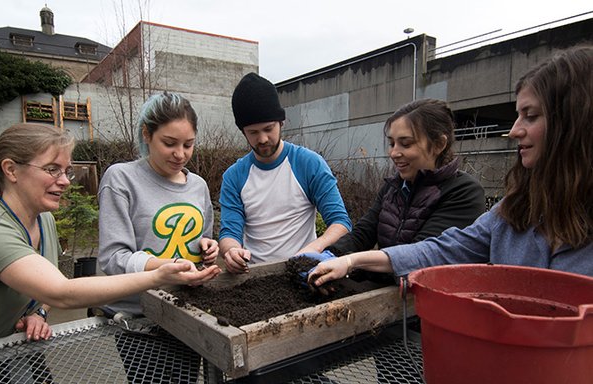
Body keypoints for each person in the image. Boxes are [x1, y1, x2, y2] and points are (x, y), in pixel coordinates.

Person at [308, 45, 593, 288]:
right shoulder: (514, 209)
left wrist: (352, 268)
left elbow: (430, 259)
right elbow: (436, 249)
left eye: (530, 116)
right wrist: (337, 256)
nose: (515, 130)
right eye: (391, 143)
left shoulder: (463, 192)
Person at [0, 123, 221, 344]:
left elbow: (43, 292)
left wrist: (37, 312)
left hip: (7, 355)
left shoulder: (44, 221)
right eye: (52, 169)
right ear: (10, 170)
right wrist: (158, 276)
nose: (65, 181)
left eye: (66, 171)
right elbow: (60, 292)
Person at [96, 91, 219, 382]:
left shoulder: (198, 185)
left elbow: (201, 239)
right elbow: (114, 259)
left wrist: (207, 247)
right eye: (169, 143)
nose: (180, 154)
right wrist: (165, 267)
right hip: (139, 320)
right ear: (146, 134)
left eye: (188, 144)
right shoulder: (121, 179)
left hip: (188, 311)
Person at [324, 98, 485, 267]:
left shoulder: (464, 192)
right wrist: (328, 255)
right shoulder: (393, 187)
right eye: (392, 143)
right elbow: (363, 233)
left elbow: (418, 256)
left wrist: (350, 264)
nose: (394, 153)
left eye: (405, 144)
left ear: (439, 144)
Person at [219, 72, 353, 273]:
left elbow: (341, 223)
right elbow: (230, 232)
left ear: (282, 122)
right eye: (253, 133)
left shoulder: (308, 163)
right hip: (254, 276)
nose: (263, 138)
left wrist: (312, 251)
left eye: (268, 128)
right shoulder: (234, 176)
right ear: (243, 131)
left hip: (303, 272)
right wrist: (231, 251)